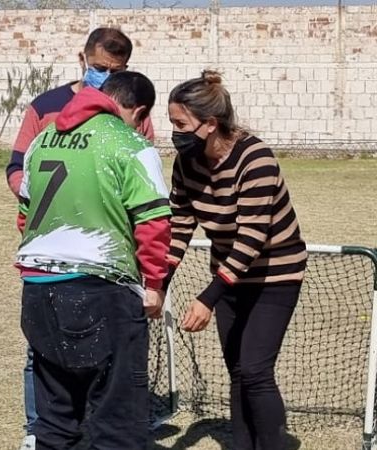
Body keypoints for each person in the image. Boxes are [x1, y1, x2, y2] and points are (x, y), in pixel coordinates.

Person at [5, 27, 155, 450]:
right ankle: (38, 430)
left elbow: (136, 190)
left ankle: (53, 432)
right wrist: (54, 214)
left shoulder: (132, 125)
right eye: (100, 68)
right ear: (82, 58)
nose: (105, 77)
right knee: (54, 368)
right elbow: (18, 169)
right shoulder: (45, 108)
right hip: (76, 266)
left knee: (74, 383)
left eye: (116, 71)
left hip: (70, 266)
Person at [164, 70, 307, 450]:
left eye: (180, 124)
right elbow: (179, 226)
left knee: (256, 370)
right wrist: (158, 285)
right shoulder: (186, 164)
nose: (174, 132)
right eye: (171, 123)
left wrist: (207, 297)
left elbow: (252, 238)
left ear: (210, 124)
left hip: (274, 275)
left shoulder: (255, 158)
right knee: (238, 373)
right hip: (229, 277)